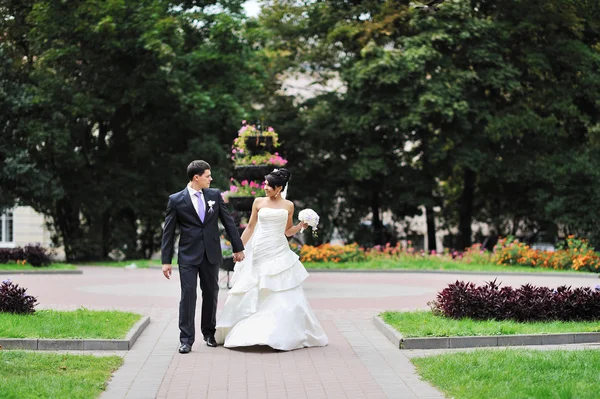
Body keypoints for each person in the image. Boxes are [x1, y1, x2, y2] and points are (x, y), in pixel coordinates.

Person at [215, 168, 328, 350]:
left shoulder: (288, 206)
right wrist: (238, 248)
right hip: (260, 248)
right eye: (265, 184)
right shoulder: (258, 202)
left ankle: (278, 333)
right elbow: (251, 227)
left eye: (269, 185)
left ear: (279, 188)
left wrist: (301, 226)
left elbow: (287, 231)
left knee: (280, 287)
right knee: (257, 284)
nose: (265, 187)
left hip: (278, 248)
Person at [161, 160, 245, 354]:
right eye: (208, 175)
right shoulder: (176, 200)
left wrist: (237, 247)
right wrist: (166, 261)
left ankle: (209, 333)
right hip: (188, 255)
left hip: (211, 253)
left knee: (211, 294)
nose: (211, 178)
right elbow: (169, 232)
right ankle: (186, 340)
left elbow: (229, 223)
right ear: (196, 177)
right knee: (188, 295)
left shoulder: (214, 195)